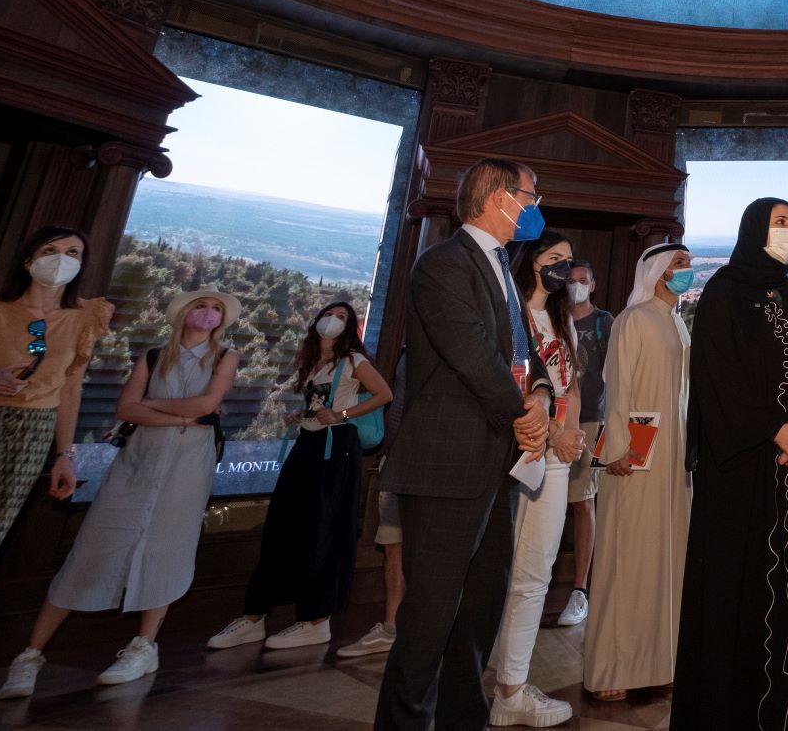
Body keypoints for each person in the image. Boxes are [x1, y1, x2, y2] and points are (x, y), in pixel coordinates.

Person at [374, 157, 556, 731]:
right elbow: (473, 352)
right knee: (430, 617)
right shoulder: (442, 264)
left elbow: (526, 353)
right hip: (447, 463)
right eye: (531, 196)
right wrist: (522, 415)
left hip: (497, 464)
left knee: (479, 610)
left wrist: (542, 397)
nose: (535, 207)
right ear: (500, 196)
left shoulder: (504, 267)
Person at [0, 289, 241, 697]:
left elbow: (206, 403)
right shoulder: (153, 356)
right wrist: (181, 415)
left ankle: (144, 646)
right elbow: (127, 409)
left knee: (168, 548)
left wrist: (153, 406)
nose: (208, 313)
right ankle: (31, 654)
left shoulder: (226, 357)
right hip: (137, 463)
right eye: (201, 305)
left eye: (216, 308)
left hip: (188, 468)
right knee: (93, 547)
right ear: (183, 312)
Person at [673, 198, 788, 729]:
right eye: (779, 223)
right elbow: (715, 377)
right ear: (753, 230)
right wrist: (773, 428)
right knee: (735, 595)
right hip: (740, 473)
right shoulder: (722, 294)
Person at [208, 300, 392, 651]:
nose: (333, 321)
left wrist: (343, 415)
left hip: (336, 448)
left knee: (323, 527)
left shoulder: (355, 360)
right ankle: (255, 615)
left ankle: (315, 619)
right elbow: (318, 404)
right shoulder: (314, 363)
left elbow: (384, 394)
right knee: (282, 524)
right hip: (308, 444)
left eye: (341, 317)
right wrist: (302, 415)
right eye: (329, 315)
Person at [0, 225, 111, 632]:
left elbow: (71, 389)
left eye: (73, 253)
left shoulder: (83, 319)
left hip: (32, 432)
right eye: (51, 249)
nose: (61, 259)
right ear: (28, 260)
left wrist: (65, 456)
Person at [584, 242, 694, 702]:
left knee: (666, 557)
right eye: (679, 264)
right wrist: (617, 449)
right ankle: (610, 668)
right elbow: (617, 385)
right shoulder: (633, 319)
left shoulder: (677, 322)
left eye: (689, 263)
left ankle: (660, 662)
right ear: (656, 271)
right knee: (626, 556)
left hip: (674, 457)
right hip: (634, 455)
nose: (687, 270)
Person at [486, 232, 585, 727]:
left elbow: (572, 386)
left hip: (554, 457)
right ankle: (500, 681)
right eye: (554, 258)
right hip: (514, 450)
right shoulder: (509, 312)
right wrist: (549, 435)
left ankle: (512, 684)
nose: (563, 268)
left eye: (568, 261)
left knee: (534, 573)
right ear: (531, 261)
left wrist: (569, 434)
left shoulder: (562, 321)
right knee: (497, 569)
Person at [339, 350, 407, 660]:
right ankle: (391, 627)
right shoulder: (406, 352)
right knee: (393, 543)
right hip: (396, 458)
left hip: (430, 461)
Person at [559, 258, 610, 627]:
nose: (576, 285)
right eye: (570, 280)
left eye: (582, 280)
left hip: (595, 421)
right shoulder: (556, 319)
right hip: (555, 421)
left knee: (584, 501)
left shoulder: (604, 322)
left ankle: (580, 589)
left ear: (592, 285)